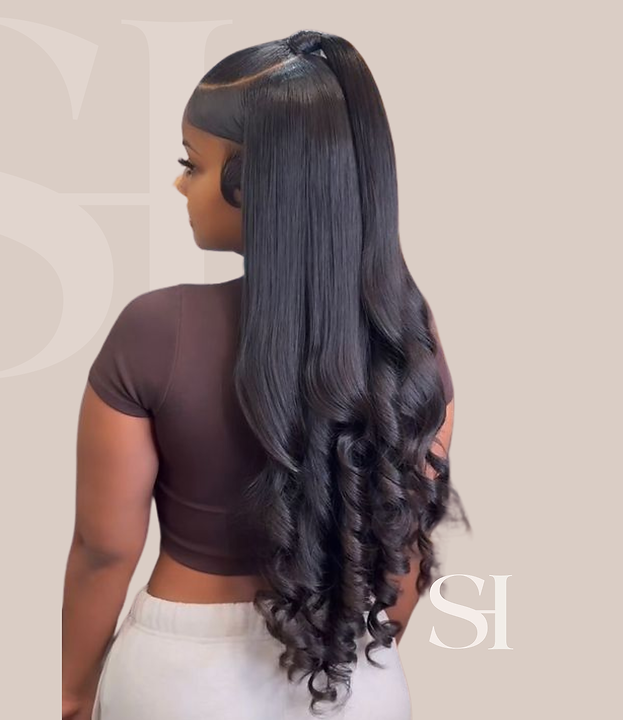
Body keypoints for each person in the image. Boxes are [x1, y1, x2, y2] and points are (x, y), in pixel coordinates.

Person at [62, 29, 470, 720]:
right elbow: (403, 550)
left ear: (251, 182)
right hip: (351, 670)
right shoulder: (406, 334)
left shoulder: (154, 330)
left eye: (192, 163)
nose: (180, 183)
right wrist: (361, 652)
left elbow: (104, 548)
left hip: (177, 678)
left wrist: (74, 695)